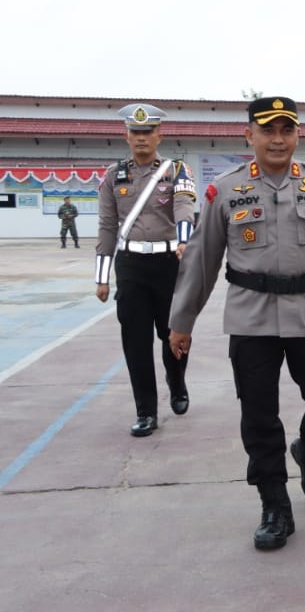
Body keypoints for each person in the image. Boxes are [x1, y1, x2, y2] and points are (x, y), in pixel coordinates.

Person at [168, 97, 305, 550]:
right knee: (258, 415)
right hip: (250, 316)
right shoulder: (225, 190)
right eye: (268, 130)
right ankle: (274, 504)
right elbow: (202, 262)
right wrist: (182, 321)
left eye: (287, 129)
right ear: (249, 136)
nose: (278, 138)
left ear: (298, 135)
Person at [96, 103, 197, 437]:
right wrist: (102, 277)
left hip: (170, 264)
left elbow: (185, 206)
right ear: (126, 135)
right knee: (135, 342)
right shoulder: (114, 175)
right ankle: (146, 411)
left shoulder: (177, 170)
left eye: (147, 132)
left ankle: (177, 380)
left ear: (159, 135)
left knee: (174, 333)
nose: (141, 138)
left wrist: (184, 240)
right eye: (135, 132)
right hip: (131, 267)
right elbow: (108, 226)